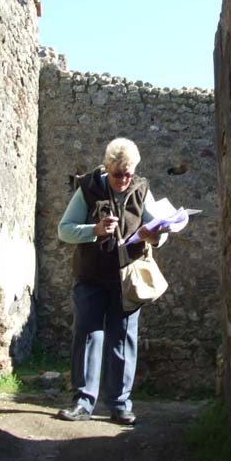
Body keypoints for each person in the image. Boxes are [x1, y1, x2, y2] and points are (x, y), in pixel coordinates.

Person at [55, 137, 167, 425]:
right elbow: (64, 231)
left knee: (123, 339)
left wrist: (157, 235)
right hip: (91, 276)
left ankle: (119, 405)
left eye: (128, 174)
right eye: (117, 174)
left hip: (126, 279)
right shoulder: (88, 189)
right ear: (107, 168)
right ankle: (82, 402)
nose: (123, 180)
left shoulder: (141, 189)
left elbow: (160, 228)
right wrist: (94, 229)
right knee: (89, 335)